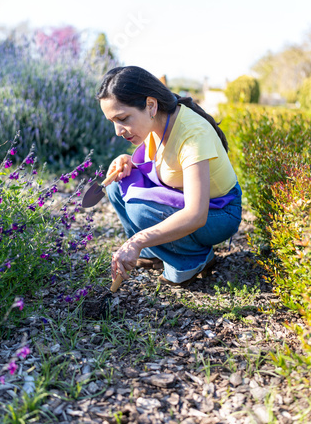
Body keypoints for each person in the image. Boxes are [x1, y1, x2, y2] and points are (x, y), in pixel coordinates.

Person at [96, 66, 242, 288]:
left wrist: (136, 240)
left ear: (151, 105)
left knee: (139, 208)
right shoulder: (159, 121)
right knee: (118, 185)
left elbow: (196, 215)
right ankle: (155, 251)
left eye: (123, 118)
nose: (118, 130)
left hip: (219, 213)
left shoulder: (192, 135)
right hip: (183, 196)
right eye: (112, 121)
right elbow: (159, 164)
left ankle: (191, 261)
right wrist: (127, 160)